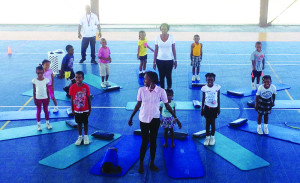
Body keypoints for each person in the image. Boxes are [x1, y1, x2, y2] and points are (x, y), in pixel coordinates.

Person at [128, 71, 182, 174]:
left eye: (145, 78)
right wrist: (131, 117)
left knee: (153, 141)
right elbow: (138, 104)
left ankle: (152, 162)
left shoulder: (161, 91)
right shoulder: (141, 90)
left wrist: (176, 119)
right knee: (144, 142)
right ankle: (141, 163)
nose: (144, 80)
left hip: (155, 119)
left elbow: (167, 106)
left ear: (151, 80)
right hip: (143, 119)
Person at [69, 71, 91, 145]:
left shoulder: (86, 87)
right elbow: (72, 99)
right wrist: (72, 109)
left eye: (79, 77)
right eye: (76, 77)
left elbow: (88, 98)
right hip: (77, 110)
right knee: (79, 123)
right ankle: (80, 136)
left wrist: (90, 109)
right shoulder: (72, 87)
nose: (78, 79)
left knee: (85, 123)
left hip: (85, 109)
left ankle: (86, 136)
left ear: (83, 78)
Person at [153, 23, 177, 89]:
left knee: (168, 76)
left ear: (167, 29)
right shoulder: (157, 37)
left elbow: (173, 49)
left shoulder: (172, 37)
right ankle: (162, 90)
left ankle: (169, 90)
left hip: (169, 60)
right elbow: (156, 49)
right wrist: (154, 62)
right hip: (159, 60)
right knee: (161, 76)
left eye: (165, 28)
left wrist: (175, 60)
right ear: (160, 29)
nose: (163, 30)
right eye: (162, 28)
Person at [201, 73, 221, 146]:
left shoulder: (217, 87)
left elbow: (218, 98)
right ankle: (207, 137)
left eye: (211, 79)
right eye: (208, 79)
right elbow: (203, 99)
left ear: (214, 79)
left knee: (212, 122)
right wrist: (202, 109)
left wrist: (218, 108)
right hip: (207, 108)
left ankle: (212, 137)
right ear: (206, 80)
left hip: (214, 108)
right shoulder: (204, 88)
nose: (210, 81)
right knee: (207, 123)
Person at [32, 65, 52, 131]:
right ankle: (38, 125)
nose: (39, 74)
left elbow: (47, 89)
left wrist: (48, 97)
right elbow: (34, 90)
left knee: (46, 110)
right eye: (38, 73)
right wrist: (34, 98)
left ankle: (47, 123)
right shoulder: (34, 80)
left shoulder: (46, 80)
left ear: (43, 72)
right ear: (36, 72)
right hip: (38, 98)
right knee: (39, 111)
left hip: (45, 97)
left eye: (41, 73)